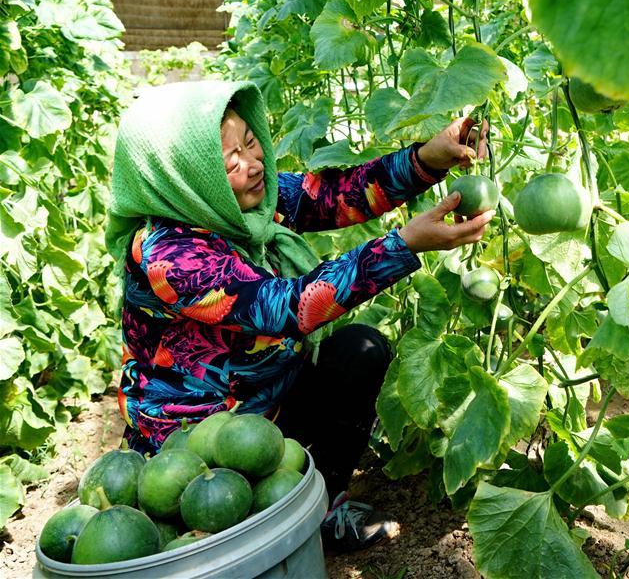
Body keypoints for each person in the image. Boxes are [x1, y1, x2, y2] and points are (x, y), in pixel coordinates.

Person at [104, 80, 493, 552]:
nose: (253, 165)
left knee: (360, 352)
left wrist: (428, 159)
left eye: (251, 143)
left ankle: (322, 506)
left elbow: (334, 194)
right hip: (201, 449)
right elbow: (287, 307)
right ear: (185, 177)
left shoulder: (247, 205)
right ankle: (252, 519)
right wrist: (403, 245)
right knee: (228, 529)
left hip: (271, 402)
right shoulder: (170, 256)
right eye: (230, 161)